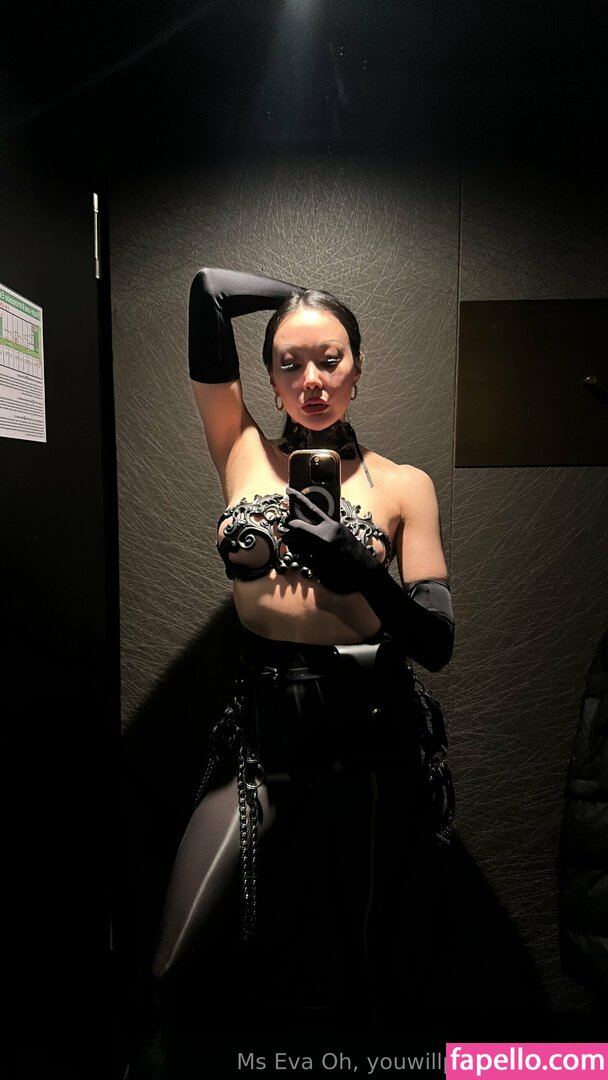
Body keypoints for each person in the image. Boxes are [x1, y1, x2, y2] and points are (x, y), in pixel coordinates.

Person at [150, 268, 455, 1040]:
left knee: (368, 971)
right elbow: (208, 292)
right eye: (290, 363)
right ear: (270, 377)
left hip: (371, 738)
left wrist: (363, 574)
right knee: (177, 960)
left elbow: (437, 642)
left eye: (330, 358)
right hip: (264, 737)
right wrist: (302, 291)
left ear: (357, 366)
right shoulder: (241, 449)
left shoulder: (404, 485)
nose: (311, 380)